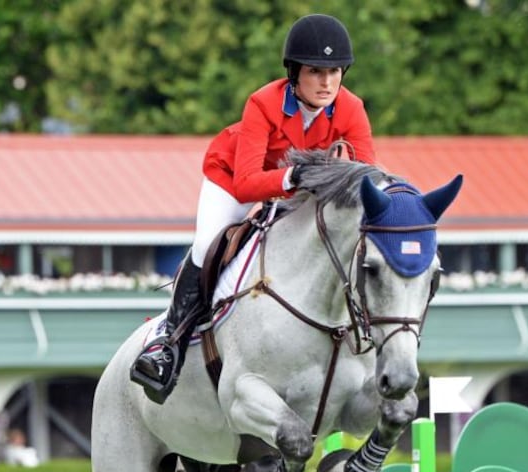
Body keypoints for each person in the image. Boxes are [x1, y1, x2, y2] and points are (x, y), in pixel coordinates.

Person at [130, 14, 376, 404]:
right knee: (207, 245)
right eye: (315, 71)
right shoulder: (263, 103)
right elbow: (248, 182)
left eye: (334, 71)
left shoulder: (351, 109)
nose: (327, 82)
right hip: (234, 180)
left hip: (300, 191)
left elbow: (365, 181)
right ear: (295, 73)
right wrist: (298, 175)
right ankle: (167, 345)